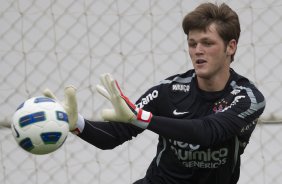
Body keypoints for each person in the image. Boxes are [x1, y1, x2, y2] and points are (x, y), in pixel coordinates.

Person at [44, 2, 265, 184]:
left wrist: (141, 118)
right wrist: (75, 123)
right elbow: (114, 136)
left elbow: (206, 133)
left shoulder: (248, 98)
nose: (198, 50)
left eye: (207, 43)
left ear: (231, 47)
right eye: (192, 43)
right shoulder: (168, 91)